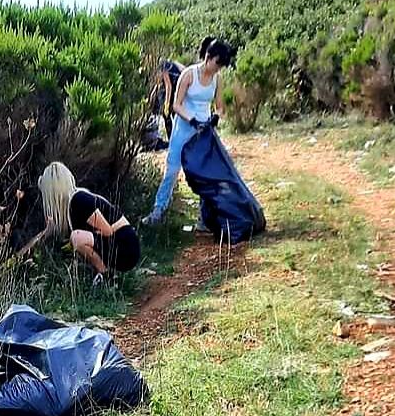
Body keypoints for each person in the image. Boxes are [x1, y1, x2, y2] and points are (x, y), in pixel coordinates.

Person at [142, 37, 236, 227]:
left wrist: (216, 116)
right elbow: (176, 104)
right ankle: (158, 211)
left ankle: (205, 218)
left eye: (221, 66)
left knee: (205, 173)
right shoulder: (189, 74)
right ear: (208, 57)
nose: (218, 69)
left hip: (203, 130)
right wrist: (191, 119)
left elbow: (219, 106)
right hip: (184, 126)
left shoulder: (217, 79)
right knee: (173, 168)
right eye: (217, 63)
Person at [22, 162, 141, 287]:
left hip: (126, 249)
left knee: (76, 238)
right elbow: (47, 232)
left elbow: (108, 231)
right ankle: (102, 274)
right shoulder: (71, 205)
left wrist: (83, 242)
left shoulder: (79, 200)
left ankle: (105, 276)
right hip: (117, 246)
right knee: (75, 239)